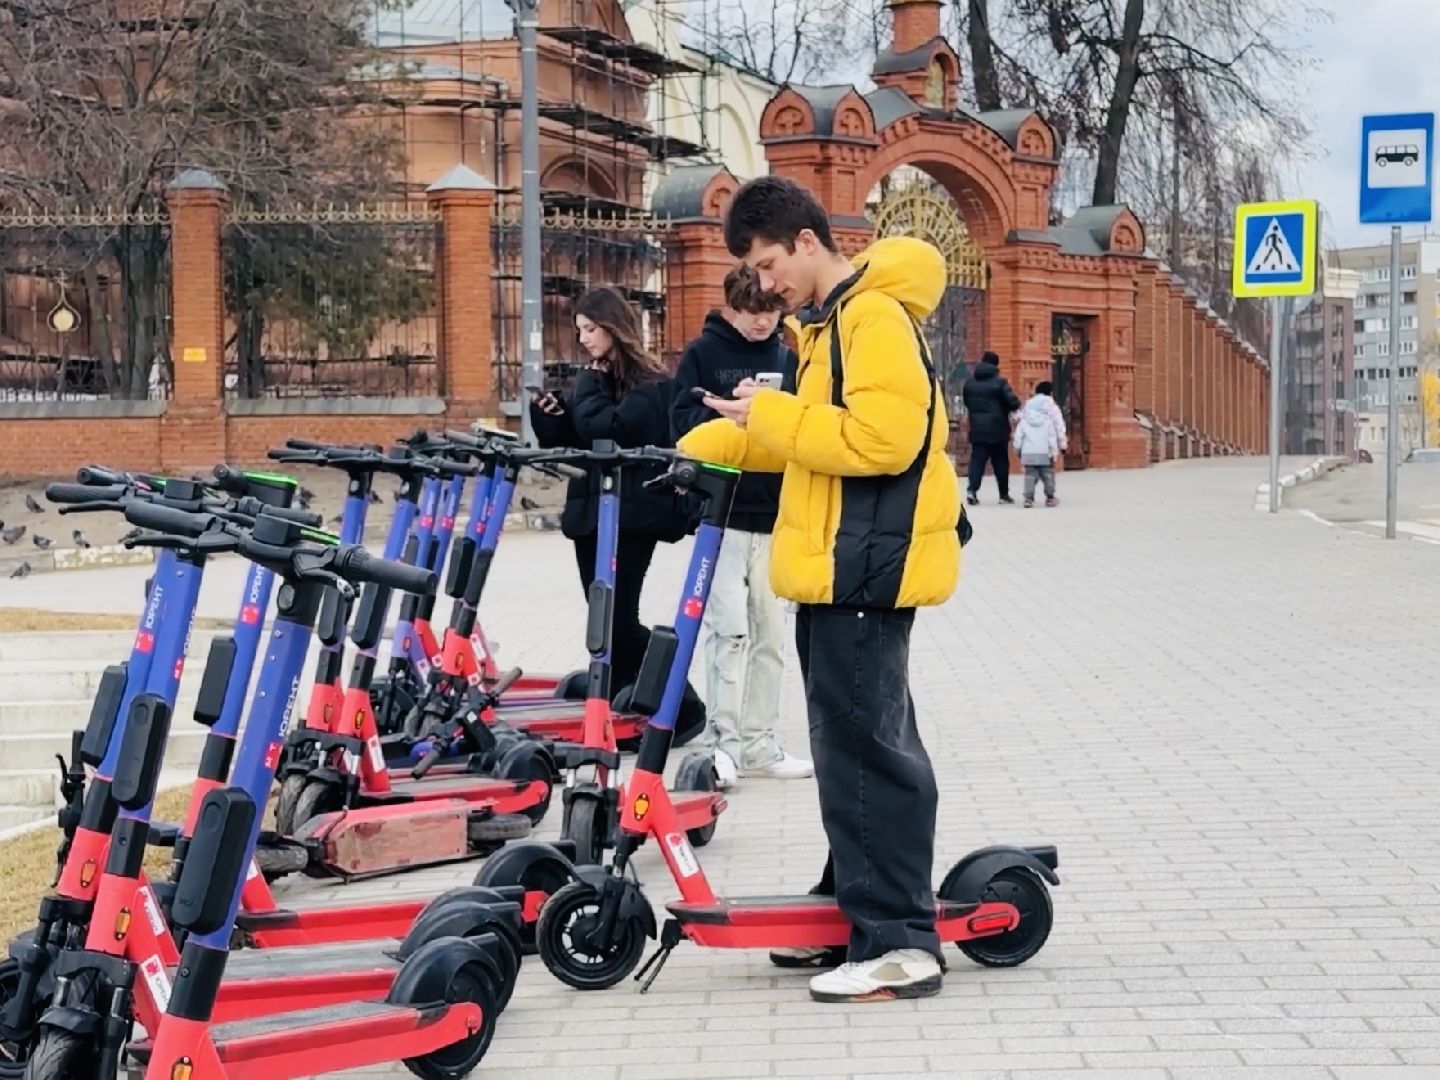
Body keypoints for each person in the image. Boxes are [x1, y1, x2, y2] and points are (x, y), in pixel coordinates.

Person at [675, 175, 960, 1004]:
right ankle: (851, 908)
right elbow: (814, 441)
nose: (767, 286)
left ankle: (899, 942)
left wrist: (770, 417)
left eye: (769, 265)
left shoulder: (872, 318)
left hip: (865, 561)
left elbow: (882, 440)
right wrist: (711, 440)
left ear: (807, 241)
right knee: (849, 748)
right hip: (841, 561)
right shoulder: (831, 324)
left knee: (871, 751)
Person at [529, 285, 705, 743]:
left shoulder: (651, 383)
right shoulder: (599, 379)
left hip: (631, 518)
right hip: (591, 516)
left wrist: (585, 390)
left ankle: (683, 704)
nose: (583, 338)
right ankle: (630, 699)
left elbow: (609, 431)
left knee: (619, 622)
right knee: (602, 618)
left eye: (590, 328)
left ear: (613, 327)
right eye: (579, 330)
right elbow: (577, 442)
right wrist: (550, 416)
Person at [671, 264, 814, 788]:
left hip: (776, 513)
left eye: (771, 311)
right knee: (728, 631)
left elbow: (805, 424)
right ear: (732, 307)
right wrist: (726, 414)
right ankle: (723, 744)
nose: (762, 322)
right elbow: (680, 426)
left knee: (770, 636)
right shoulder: (702, 355)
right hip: (722, 517)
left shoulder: (787, 358)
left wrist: (775, 411)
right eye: (753, 312)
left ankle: (760, 743)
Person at [961, 350, 1021, 506]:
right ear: (996, 365)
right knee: (1000, 461)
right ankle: (1003, 494)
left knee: (977, 460)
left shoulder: (969, 384)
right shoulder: (1000, 383)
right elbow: (1013, 402)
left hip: (978, 429)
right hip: (998, 429)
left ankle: (972, 490)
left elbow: (967, 403)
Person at [1012, 380, 1067, 507]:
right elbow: (1058, 428)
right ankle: (1050, 497)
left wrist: (1017, 449)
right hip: (1045, 452)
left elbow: (1019, 434)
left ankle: (1028, 498)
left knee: (1030, 476)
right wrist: (1060, 447)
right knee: (1048, 475)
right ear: (1050, 392)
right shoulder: (1050, 415)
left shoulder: (1026, 412)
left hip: (1028, 451)